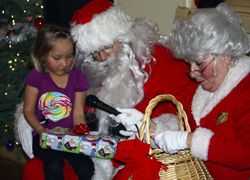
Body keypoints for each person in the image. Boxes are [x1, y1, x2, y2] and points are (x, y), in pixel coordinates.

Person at [114, 3, 250, 179]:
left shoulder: (245, 89)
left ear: (225, 55)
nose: (193, 72)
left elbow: (246, 153)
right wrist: (147, 126)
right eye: (189, 64)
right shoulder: (203, 90)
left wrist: (190, 140)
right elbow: (183, 125)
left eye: (199, 63)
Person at [70, 0, 192, 179]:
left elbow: (187, 113)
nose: (102, 57)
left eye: (106, 48)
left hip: (152, 150)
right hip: (109, 151)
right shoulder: (94, 69)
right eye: (95, 53)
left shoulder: (160, 59)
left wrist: (156, 129)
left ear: (123, 36)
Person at [22, 24, 94, 180]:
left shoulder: (78, 79)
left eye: (69, 57)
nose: (64, 63)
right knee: (53, 164)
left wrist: (81, 134)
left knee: (86, 167)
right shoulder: (37, 77)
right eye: (57, 58)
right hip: (44, 135)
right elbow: (27, 110)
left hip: (70, 136)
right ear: (42, 55)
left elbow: (78, 113)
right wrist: (41, 131)